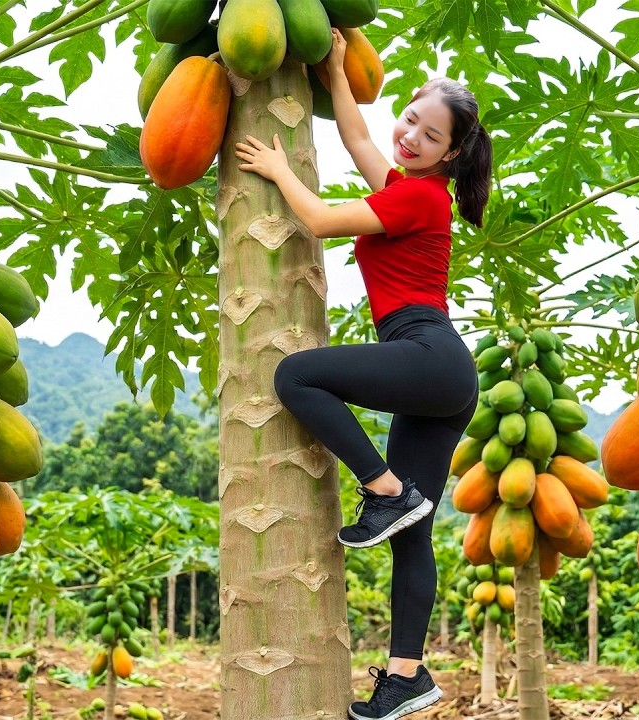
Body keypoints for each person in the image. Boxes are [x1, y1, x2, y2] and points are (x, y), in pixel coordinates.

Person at [234, 28, 493, 720]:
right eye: (410, 120)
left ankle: (384, 488)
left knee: (296, 378)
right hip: (442, 376)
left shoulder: (416, 198)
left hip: (427, 353)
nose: (409, 137)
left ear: (453, 152)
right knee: (415, 535)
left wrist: (277, 167)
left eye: (429, 136)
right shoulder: (410, 188)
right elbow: (355, 137)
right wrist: (337, 71)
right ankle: (407, 676)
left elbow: (318, 220)